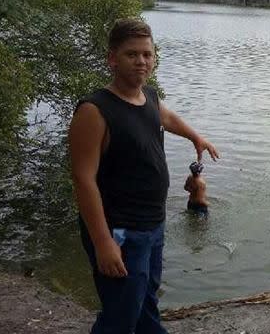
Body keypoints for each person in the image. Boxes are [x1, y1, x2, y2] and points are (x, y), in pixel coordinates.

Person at [68, 18, 219, 333]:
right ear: (112, 58)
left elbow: (167, 116)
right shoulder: (94, 111)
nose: (141, 61)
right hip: (119, 231)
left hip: (152, 224)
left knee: (146, 300)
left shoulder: (148, 96)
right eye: (131, 54)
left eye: (147, 54)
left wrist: (196, 137)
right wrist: (102, 242)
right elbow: (83, 180)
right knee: (122, 313)